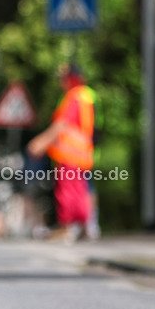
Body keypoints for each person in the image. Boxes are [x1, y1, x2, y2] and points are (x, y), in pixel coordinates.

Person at [26, 63, 95, 242]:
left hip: (70, 153)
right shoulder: (86, 96)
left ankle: (67, 228)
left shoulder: (74, 97)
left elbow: (62, 124)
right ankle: (83, 228)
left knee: (67, 192)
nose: (60, 81)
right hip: (81, 154)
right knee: (79, 190)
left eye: (63, 78)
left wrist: (40, 142)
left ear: (72, 78)